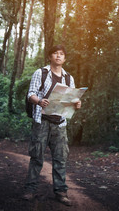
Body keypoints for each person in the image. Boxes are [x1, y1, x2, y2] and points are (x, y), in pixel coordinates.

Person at [23, 45, 81, 206]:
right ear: (50, 57)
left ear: (65, 58)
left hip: (60, 123)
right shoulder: (40, 73)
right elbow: (30, 94)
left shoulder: (68, 78)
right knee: (37, 157)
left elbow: (71, 99)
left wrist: (77, 103)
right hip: (42, 121)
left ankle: (61, 192)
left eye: (61, 54)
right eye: (55, 53)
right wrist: (39, 101)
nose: (58, 56)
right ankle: (30, 190)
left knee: (61, 158)